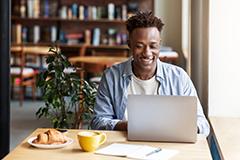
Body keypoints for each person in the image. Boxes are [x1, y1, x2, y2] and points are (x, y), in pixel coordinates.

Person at [91, 11, 210, 136]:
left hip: (169, 146)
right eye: (139, 46)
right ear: (129, 45)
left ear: (159, 44)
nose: (147, 53)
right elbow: (98, 122)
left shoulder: (179, 78)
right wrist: (129, 126)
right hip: (123, 145)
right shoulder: (111, 77)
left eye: (153, 46)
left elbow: (202, 124)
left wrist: (184, 127)